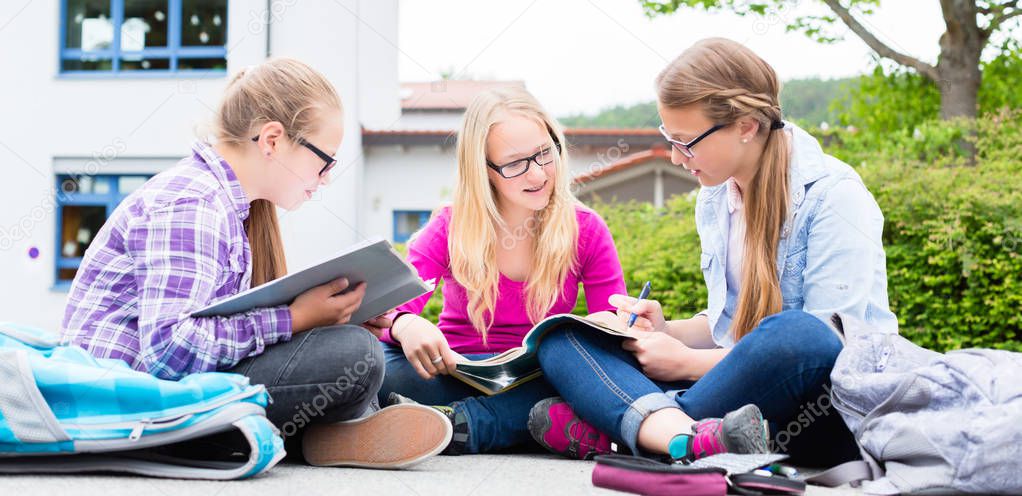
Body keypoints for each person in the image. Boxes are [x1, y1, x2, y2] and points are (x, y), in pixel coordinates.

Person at [61, 58, 451, 469]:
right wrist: (293, 318)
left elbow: (211, 329)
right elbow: (170, 351)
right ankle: (333, 432)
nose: (326, 178)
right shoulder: (192, 204)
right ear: (271, 140)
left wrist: (323, 317)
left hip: (162, 393)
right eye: (325, 160)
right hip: (135, 404)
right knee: (356, 354)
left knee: (355, 347)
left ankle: (331, 434)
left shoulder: (229, 208)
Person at [529, 38, 897, 467]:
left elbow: (828, 349)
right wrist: (669, 332)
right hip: (738, 404)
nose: (675, 156)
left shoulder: (835, 197)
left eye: (687, 142)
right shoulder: (716, 195)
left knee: (800, 334)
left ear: (745, 125)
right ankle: (686, 438)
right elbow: (731, 322)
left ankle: (634, 429)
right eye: (670, 138)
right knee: (564, 337)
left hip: (820, 408)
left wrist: (686, 363)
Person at [377, 86, 627, 456]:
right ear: (484, 171)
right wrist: (404, 324)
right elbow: (382, 309)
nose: (538, 174)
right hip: (455, 372)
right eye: (515, 163)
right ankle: (542, 422)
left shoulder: (585, 229)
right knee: (379, 368)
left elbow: (612, 327)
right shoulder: (450, 227)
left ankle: (458, 426)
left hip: (539, 376)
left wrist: (621, 326)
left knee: (587, 376)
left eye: (545, 153)